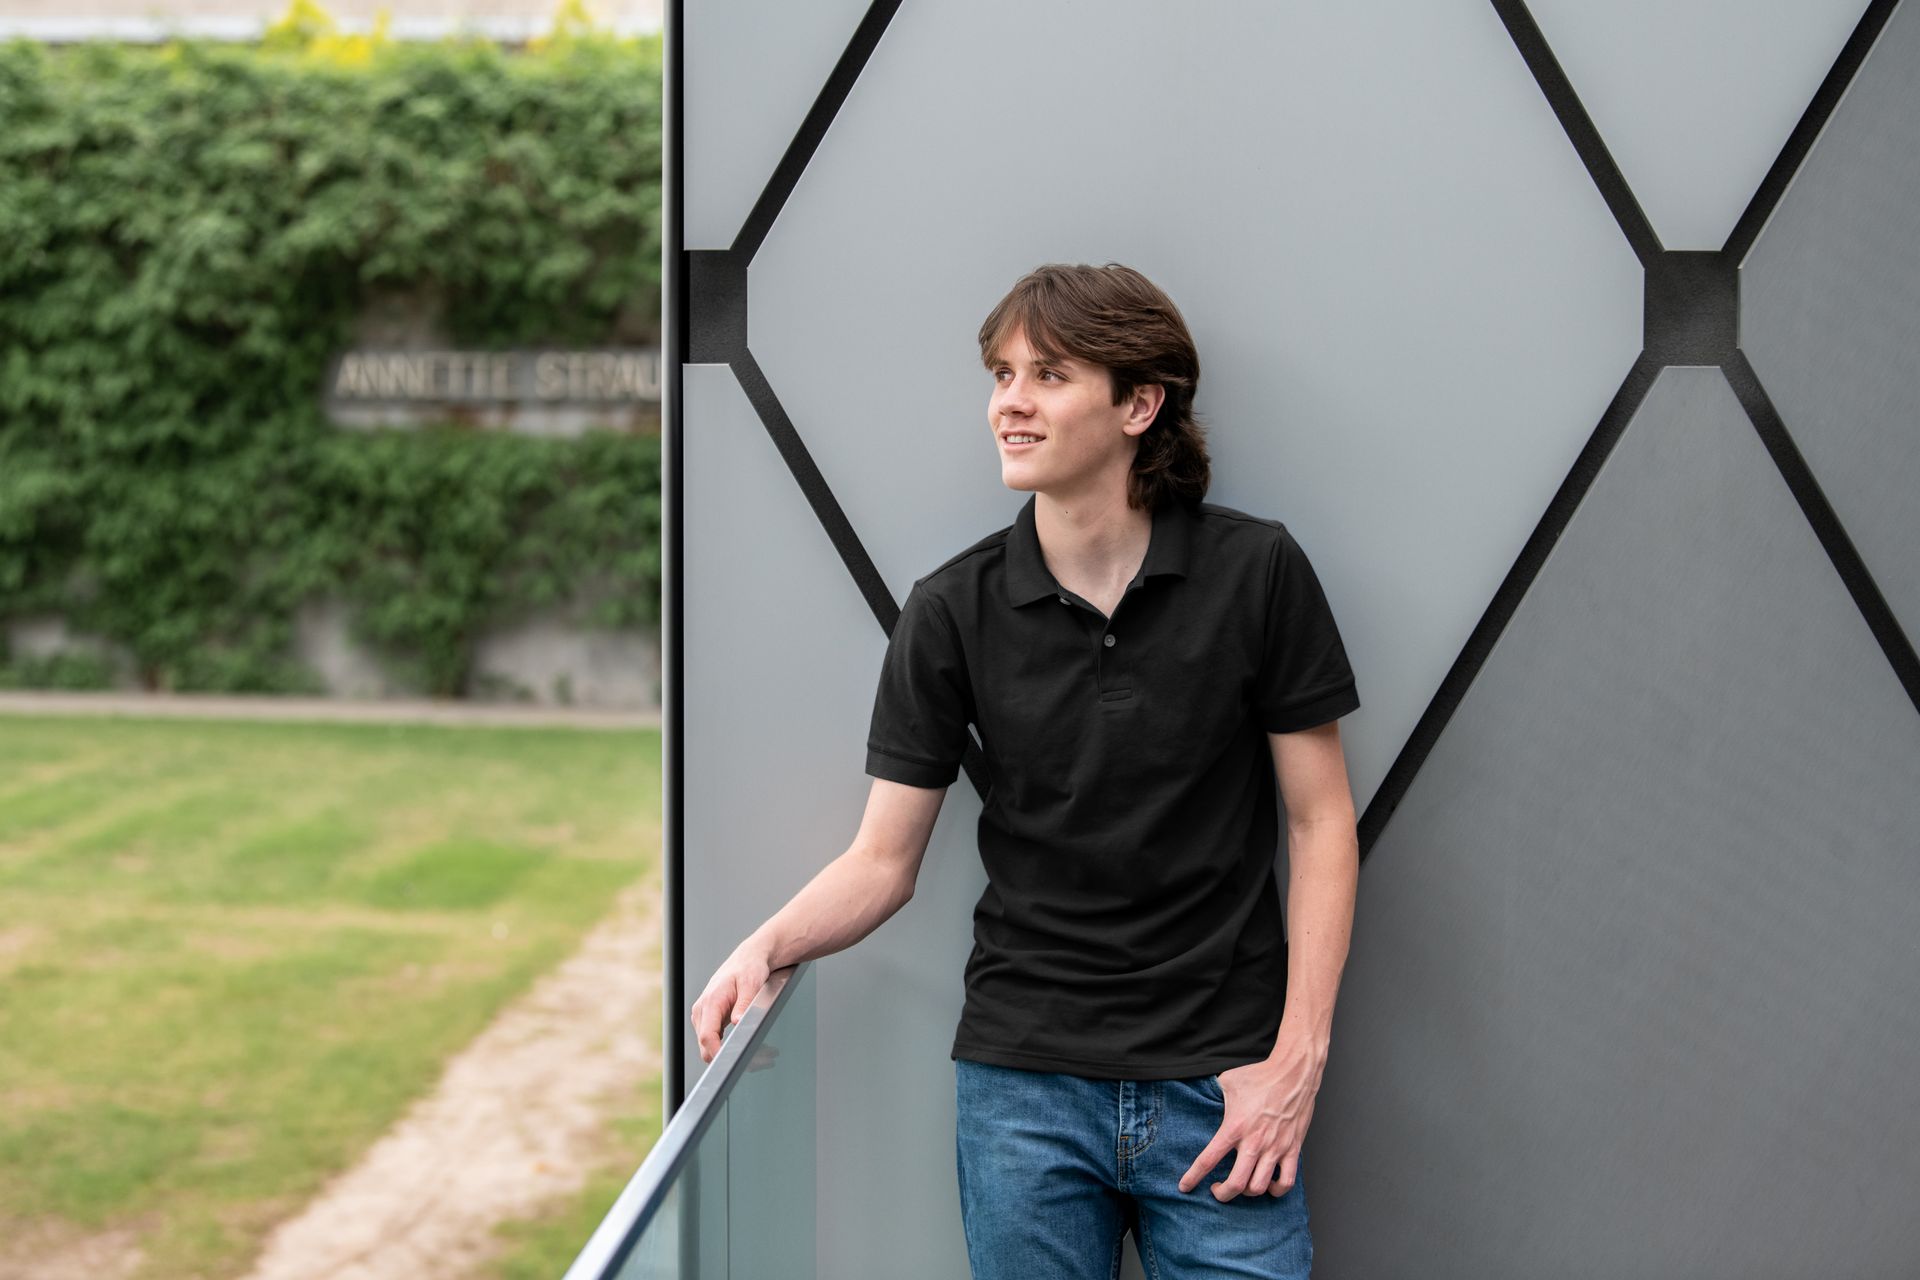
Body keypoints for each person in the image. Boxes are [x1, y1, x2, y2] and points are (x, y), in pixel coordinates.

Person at [691, 262, 1361, 1279]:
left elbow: (1321, 824)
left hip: (1223, 1082)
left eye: (1048, 374)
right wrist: (766, 944)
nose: (1009, 400)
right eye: (1001, 372)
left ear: (1140, 404)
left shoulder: (1257, 572)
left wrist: (1297, 1060)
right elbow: (883, 858)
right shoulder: (952, 608)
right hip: (1023, 1090)